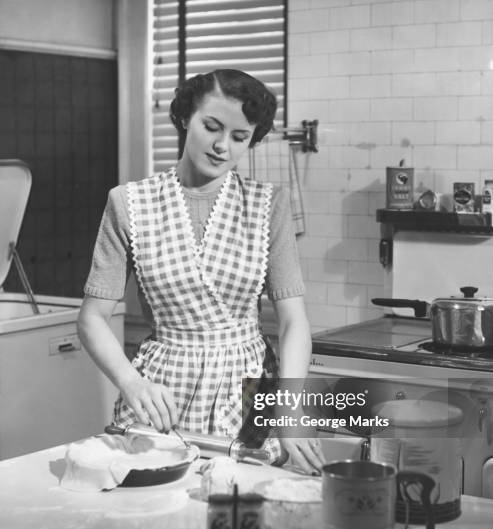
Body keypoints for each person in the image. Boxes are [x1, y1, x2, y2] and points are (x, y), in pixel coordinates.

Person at [77, 69, 324, 474]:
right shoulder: (128, 204)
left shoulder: (267, 206)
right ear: (184, 117)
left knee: (237, 520)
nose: (222, 146)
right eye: (212, 127)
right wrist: (130, 381)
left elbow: (294, 320)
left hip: (247, 387)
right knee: (156, 512)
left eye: (240, 137)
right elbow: (91, 318)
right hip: (163, 391)